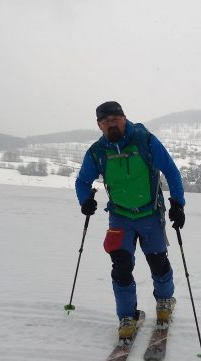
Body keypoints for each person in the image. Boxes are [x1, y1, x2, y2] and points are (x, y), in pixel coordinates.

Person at [75, 101, 186, 339]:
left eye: (114, 119)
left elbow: (171, 171)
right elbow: (82, 181)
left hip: (150, 214)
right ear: (99, 125)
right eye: (105, 122)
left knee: (158, 263)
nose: (110, 124)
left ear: (124, 118)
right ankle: (127, 316)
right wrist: (85, 200)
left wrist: (178, 203)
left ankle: (165, 301)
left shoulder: (145, 141)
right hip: (120, 218)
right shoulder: (97, 152)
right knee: (121, 268)